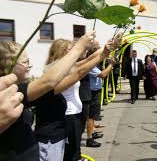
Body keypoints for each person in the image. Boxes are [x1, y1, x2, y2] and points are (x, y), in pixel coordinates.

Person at [0, 33, 94, 161]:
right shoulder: (13, 92)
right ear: (10, 64)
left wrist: (103, 52)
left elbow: (76, 67)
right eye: (25, 62)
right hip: (49, 138)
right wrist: (80, 46)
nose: (30, 65)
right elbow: (55, 79)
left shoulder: (16, 89)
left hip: (51, 137)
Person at [86, 56, 115, 147]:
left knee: (93, 115)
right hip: (93, 92)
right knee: (91, 116)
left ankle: (92, 132)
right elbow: (103, 75)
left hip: (95, 91)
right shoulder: (91, 66)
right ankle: (89, 139)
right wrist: (111, 64)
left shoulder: (94, 65)